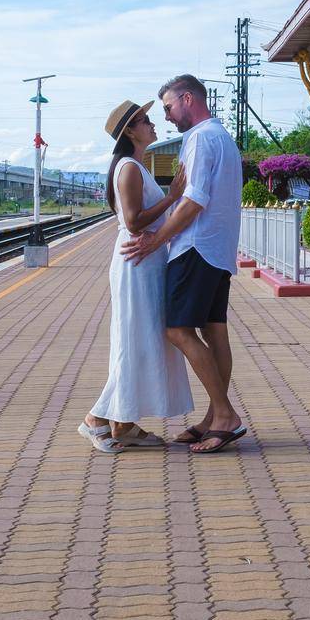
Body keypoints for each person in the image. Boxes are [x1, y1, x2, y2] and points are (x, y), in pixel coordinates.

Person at [120, 74, 245, 454]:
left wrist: (157, 239)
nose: (168, 117)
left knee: (177, 330)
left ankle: (224, 415)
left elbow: (194, 200)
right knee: (214, 330)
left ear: (188, 99)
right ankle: (212, 417)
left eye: (169, 107)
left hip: (195, 248)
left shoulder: (201, 138)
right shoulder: (221, 137)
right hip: (217, 250)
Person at [78, 100, 194, 454]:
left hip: (146, 260)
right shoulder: (128, 167)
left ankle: (120, 423)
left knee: (142, 339)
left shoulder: (136, 166)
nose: (153, 124)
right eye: (145, 121)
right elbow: (132, 220)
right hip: (137, 262)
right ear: (130, 131)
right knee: (134, 340)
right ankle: (99, 419)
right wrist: (172, 197)